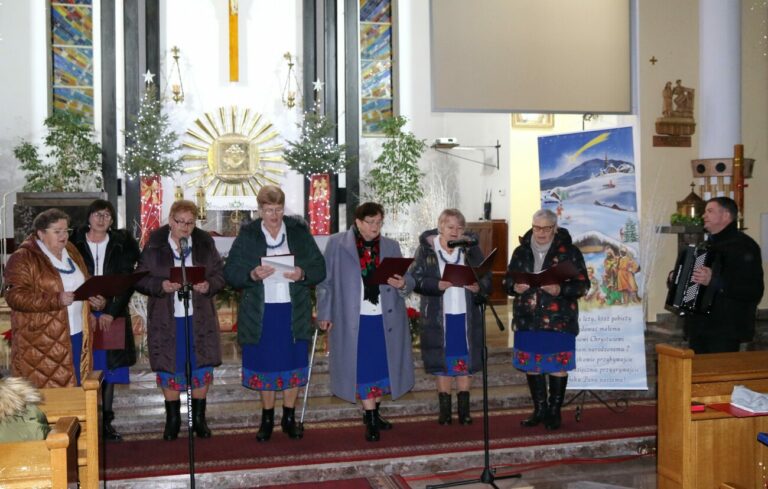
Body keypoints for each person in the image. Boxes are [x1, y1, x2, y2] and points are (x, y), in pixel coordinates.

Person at [223, 185, 326, 442]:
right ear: (259, 210)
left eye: (278, 210)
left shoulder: (299, 232)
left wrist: (302, 274)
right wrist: (252, 275)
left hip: (293, 311)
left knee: (292, 363)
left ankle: (288, 417)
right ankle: (267, 418)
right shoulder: (248, 234)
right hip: (261, 313)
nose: (274, 216)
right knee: (265, 365)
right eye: (268, 210)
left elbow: (319, 267)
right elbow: (231, 272)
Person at [316, 202, 414, 442]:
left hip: (386, 318)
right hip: (354, 319)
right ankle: (370, 419)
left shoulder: (390, 245)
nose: (375, 227)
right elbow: (325, 283)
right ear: (358, 222)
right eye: (370, 222)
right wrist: (325, 313)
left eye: (379, 222)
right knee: (362, 368)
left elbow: (408, 279)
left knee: (383, 367)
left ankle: (375, 412)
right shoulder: (337, 244)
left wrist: (403, 284)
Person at [135, 200, 225, 441]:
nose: (185, 227)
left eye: (190, 223)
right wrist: (161, 285)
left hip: (199, 316)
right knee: (170, 364)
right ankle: (172, 420)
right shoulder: (154, 244)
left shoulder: (205, 242)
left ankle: (199, 419)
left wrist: (209, 285)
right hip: (167, 317)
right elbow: (139, 278)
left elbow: (219, 274)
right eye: (180, 222)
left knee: (200, 363)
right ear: (170, 220)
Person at [504, 209, 589, 430]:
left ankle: (554, 411)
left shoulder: (569, 252)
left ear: (555, 228)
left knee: (557, 365)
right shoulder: (520, 251)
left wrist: (560, 288)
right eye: (536, 227)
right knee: (532, 364)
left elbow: (582, 285)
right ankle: (539, 410)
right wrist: (514, 286)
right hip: (528, 318)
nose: (540, 233)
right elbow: (507, 281)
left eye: (546, 228)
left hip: (558, 319)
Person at [4, 208, 106, 388]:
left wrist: (95, 298)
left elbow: (84, 280)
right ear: (41, 233)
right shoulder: (23, 258)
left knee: (78, 389)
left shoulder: (71, 251)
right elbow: (14, 297)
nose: (64, 236)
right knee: (53, 395)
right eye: (57, 231)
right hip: (43, 341)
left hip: (77, 333)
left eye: (66, 231)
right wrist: (55, 300)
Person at [410, 208, 490, 426]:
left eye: (459, 227)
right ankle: (445, 412)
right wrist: (435, 284)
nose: (455, 231)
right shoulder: (427, 250)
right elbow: (414, 279)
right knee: (442, 363)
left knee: (464, 361)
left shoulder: (470, 249)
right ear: (440, 227)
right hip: (439, 316)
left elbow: (486, 276)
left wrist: (478, 287)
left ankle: (464, 411)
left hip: (466, 315)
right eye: (450, 227)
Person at [71, 199, 140, 441]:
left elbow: (128, 279)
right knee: (86, 366)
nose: (102, 219)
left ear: (112, 220)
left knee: (109, 368)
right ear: (89, 217)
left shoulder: (121, 243)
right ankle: (85, 419)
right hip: (81, 312)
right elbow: (69, 279)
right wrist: (88, 305)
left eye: (107, 215)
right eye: (98, 214)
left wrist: (110, 308)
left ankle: (106, 422)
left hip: (113, 313)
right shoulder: (73, 243)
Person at [676, 197, 763, 354]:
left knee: (721, 377)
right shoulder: (705, 245)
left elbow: (753, 290)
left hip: (725, 330)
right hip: (699, 328)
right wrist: (676, 278)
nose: (704, 215)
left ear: (726, 216)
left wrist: (714, 281)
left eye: (710, 211)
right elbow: (694, 283)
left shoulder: (744, 246)